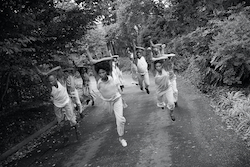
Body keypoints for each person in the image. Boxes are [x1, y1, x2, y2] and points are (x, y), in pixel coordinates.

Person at [86, 46, 128, 147]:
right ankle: (120, 126)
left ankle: (121, 137)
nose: (101, 74)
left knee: (120, 120)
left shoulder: (111, 77)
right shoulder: (98, 80)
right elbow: (92, 63)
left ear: (107, 72)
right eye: (99, 73)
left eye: (103, 72)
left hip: (117, 99)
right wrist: (86, 51)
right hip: (107, 102)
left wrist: (107, 57)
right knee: (117, 118)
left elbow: (110, 60)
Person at [151, 55, 176, 121]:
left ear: (162, 66)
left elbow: (167, 61)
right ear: (155, 67)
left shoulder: (165, 69)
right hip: (159, 90)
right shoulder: (154, 72)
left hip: (168, 88)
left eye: (159, 66)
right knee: (160, 101)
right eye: (157, 66)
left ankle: (171, 113)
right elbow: (151, 63)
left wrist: (163, 58)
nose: (158, 67)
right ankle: (162, 105)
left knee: (171, 103)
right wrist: (154, 60)